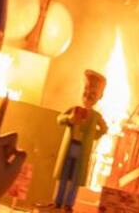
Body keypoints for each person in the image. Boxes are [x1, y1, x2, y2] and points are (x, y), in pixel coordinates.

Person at [52, 70, 108, 211]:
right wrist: (69, 119)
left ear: (99, 97)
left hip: (81, 151)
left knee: (75, 180)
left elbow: (104, 128)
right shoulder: (74, 110)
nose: (88, 95)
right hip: (70, 147)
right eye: (86, 90)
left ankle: (69, 204)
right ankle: (58, 201)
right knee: (64, 176)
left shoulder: (96, 116)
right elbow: (59, 119)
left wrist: (94, 135)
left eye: (93, 93)